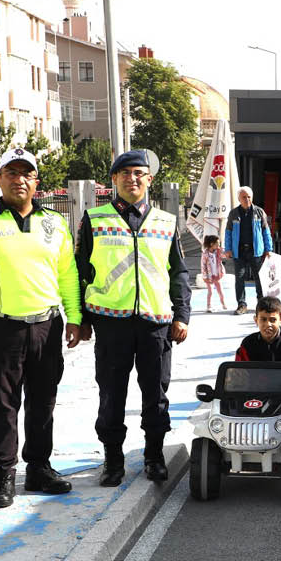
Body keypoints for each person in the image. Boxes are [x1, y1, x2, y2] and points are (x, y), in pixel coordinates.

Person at [0, 148, 82, 509]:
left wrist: (74, 316)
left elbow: (67, 273)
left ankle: (39, 468)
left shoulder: (54, 223)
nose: (19, 179)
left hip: (46, 325)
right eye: (11, 172)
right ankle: (3, 477)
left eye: (27, 173)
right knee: (3, 404)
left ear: (36, 181)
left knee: (44, 402)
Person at [77, 149, 191, 487]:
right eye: (125, 173)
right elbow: (80, 272)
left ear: (149, 179)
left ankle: (154, 457)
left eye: (139, 173)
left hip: (156, 323)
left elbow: (179, 273)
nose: (132, 178)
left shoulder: (166, 222)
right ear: (113, 180)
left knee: (155, 395)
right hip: (111, 324)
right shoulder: (94, 219)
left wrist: (182, 314)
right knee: (112, 395)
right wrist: (80, 318)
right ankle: (113, 462)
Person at [223, 186, 273, 316]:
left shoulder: (259, 212)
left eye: (249, 197)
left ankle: (261, 304)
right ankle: (241, 304)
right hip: (239, 251)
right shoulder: (233, 213)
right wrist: (227, 249)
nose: (247, 199)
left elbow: (266, 232)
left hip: (256, 251)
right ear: (239, 199)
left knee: (259, 278)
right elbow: (228, 232)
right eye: (244, 197)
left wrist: (268, 249)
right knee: (239, 279)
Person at [200, 234, 227, 312]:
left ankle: (223, 303)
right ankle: (209, 306)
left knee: (220, 291)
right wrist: (205, 277)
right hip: (209, 276)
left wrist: (222, 250)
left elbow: (224, 256)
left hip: (217, 274)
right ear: (212, 244)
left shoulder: (218, 252)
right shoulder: (205, 254)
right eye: (217, 243)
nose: (218, 245)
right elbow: (203, 265)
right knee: (210, 291)